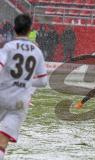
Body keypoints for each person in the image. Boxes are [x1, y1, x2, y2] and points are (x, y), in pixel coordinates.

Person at [0, 14, 48, 159]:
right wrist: (25, 81)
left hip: (3, 95)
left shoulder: (9, 47)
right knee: (2, 144)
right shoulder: (37, 51)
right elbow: (43, 81)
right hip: (20, 101)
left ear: (14, 28)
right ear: (30, 29)